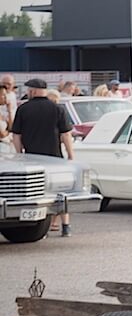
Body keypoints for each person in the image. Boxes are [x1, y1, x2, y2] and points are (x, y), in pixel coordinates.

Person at [12, 78, 76, 236]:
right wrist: (70, 155)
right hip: (55, 157)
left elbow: (16, 136)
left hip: (31, 159)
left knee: (37, 194)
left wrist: (19, 155)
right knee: (60, 191)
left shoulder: (24, 109)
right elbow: (66, 134)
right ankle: (66, 226)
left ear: (32, 91)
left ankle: (41, 227)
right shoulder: (57, 109)